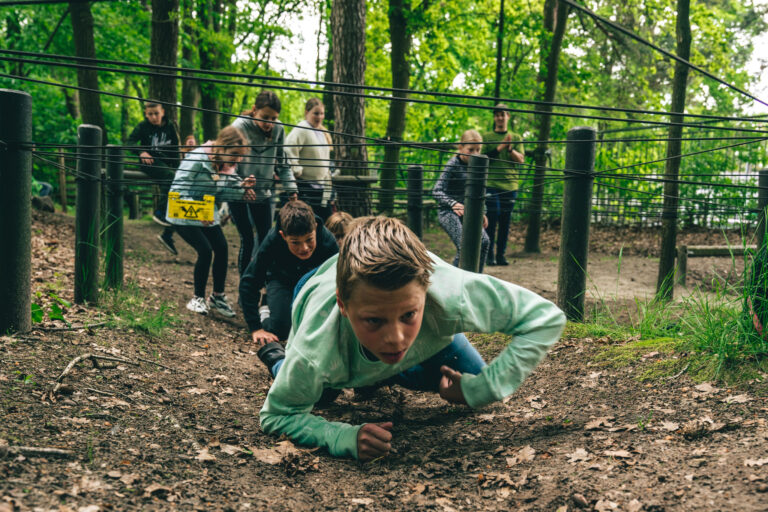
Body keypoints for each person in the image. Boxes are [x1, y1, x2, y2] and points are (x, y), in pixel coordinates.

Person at [258, 216, 566, 460]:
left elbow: (545, 318)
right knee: (319, 397)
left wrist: (486, 386)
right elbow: (278, 415)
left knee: (472, 382)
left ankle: (374, 376)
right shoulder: (317, 348)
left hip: (380, 345)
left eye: (409, 315)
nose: (395, 339)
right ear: (344, 306)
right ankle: (276, 357)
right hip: (313, 287)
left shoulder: (450, 292)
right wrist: (339, 436)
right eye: (374, 320)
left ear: (427, 293)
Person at [166, 126, 255, 316]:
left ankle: (217, 297)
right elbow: (177, 190)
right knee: (205, 250)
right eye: (234, 154)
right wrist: (198, 212)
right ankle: (197, 298)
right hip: (182, 213)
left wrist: (241, 188)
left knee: (222, 248)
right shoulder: (197, 159)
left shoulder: (226, 165)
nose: (236, 160)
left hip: (207, 213)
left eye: (240, 156)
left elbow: (221, 193)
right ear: (222, 147)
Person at [239, 200, 338, 348]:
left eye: (309, 240)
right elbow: (249, 281)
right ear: (283, 236)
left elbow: (340, 279)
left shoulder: (328, 241)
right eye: (295, 242)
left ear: (315, 228)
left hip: (314, 283)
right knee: (280, 329)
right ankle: (265, 309)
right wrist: (256, 328)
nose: (304, 248)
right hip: (282, 280)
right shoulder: (272, 241)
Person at [230, 91, 298, 275]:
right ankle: (245, 290)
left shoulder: (278, 129)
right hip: (237, 191)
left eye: (273, 118)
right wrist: (240, 186)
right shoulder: (239, 126)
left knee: (267, 238)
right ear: (254, 111)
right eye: (264, 117)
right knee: (248, 239)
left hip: (263, 192)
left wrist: (291, 188)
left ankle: (260, 285)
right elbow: (227, 164)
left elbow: (283, 163)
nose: (269, 123)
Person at [127, 100, 181, 256]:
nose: (153, 117)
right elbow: (130, 142)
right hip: (148, 162)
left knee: (178, 186)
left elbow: (175, 150)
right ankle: (160, 212)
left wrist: (178, 169)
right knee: (170, 178)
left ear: (162, 112)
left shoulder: (170, 126)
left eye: (156, 113)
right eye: (150, 114)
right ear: (146, 114)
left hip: (164, 164)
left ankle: (167, 234)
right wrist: (141, 152)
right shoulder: (143, 126)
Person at [433, 129, 490, 272]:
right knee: (465, 245)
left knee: (484, 242)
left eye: (478, 150)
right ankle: (455, 281)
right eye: (471, 150)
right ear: (460, 147)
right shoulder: (453, 164)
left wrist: (481, 212)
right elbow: (437, 191)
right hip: (448, 212)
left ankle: (476, 277)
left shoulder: (478, 166)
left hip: (470, 213)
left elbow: (479, 194)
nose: (475, 154)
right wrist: (453, 204)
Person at [482, 104, 525, 266]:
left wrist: (510, 149)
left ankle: (501, 255)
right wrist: (499, 148)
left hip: (510, 185)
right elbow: (482, 158)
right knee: (491, 219)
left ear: (508, 116)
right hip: (491, 184)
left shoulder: (516, 137)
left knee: (505, 221)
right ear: (494, 118)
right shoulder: (486, 137)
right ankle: (489, 255)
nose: (500, 117)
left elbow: (521, 160)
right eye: (497, 115)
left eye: (503, 114)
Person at [285, 98, 334, 222]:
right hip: (305, 187)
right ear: (307, 112)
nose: (319, 117)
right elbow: (288, 150)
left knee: (324, 222)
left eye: (322, 113)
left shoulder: (322, 132)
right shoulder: (302, 129)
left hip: (322, 187)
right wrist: (297, 171)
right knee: (307, 223)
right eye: (316, 113)